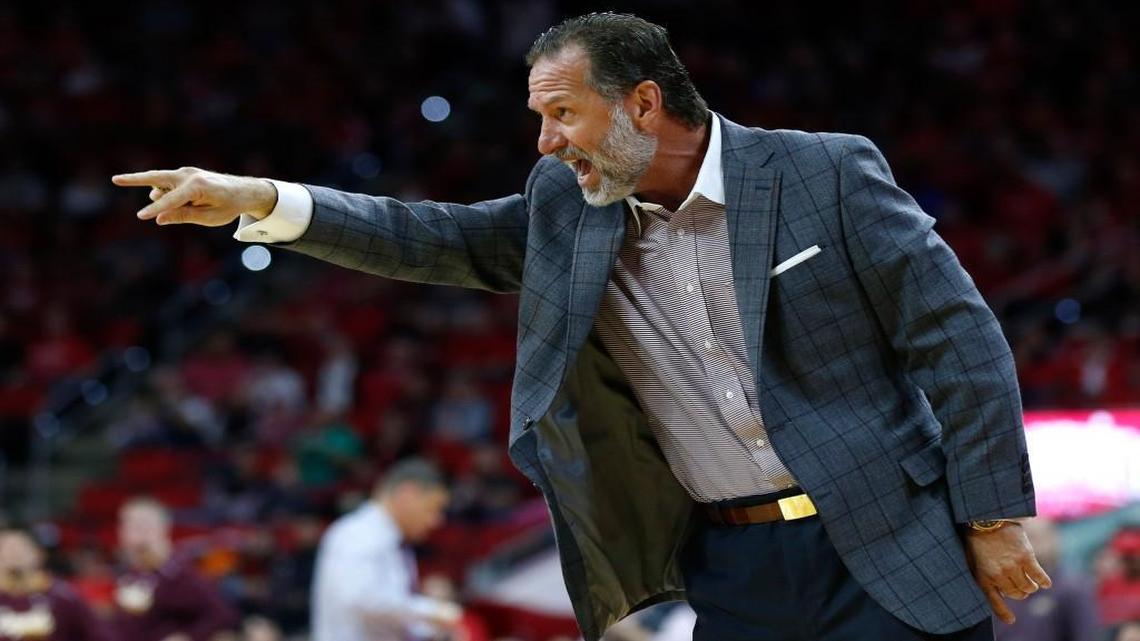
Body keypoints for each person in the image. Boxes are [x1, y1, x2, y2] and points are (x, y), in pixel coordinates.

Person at [112, 11, 1049, 641]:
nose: (546, 141)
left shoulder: (824, 173)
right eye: (540, 117)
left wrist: (993, 513)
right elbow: (433, 236)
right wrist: (265, 199)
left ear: (643, 102)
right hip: (735, 563)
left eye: (563, 113)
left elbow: (958, 339)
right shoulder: (568, 209)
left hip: (888, 539)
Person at [310, 458, 460, 641]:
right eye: (432, 509)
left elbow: (386, 621)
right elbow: (360, 598)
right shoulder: (358, 532)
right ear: (408, 495)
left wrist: (428, 630)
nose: (436, 521)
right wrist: (432, 611)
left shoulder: (391, 540)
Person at [113, 497, 239, 641]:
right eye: (125, 525)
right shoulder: (131, 574)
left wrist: (188, 636)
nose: (128, 532)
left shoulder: (178, 571)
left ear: (160, 529)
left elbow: (222, 614)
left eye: (139, 525)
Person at [993, 517, 1099, 641]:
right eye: (1023, 538)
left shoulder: (1072, 589)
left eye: (1035, 537)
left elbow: (1084, 634)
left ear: (1054, 540)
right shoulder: (1003, 589)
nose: (1029, 546)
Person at [0, 528, 113, 641]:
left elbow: (95, 633)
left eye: (19, 549)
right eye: (5, 550)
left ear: (39, 554)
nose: (12, 555)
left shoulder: (62, 594)